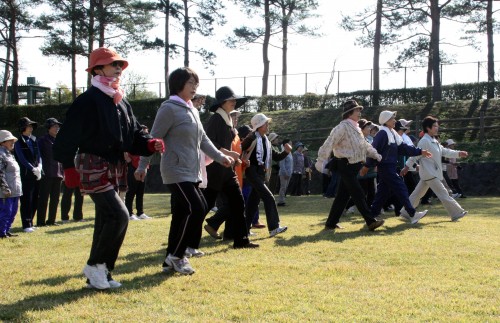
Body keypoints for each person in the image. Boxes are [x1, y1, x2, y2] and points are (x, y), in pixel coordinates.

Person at [53, 47, 164, 289]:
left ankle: (103, 273)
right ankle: (95, 267)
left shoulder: (121, 99)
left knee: (106, 219)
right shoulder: (87, 100)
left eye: (120, 65)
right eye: (113, 64)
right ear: (97, 69)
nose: (118, 68)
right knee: (119, 215)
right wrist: (69, 168)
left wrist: (149, 144)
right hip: (91, 163)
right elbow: (66, 138)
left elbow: (134, 133)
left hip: (115, 165)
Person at [135, 67, 234, 275]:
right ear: (178, 84)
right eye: (191, 83)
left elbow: (203, 140)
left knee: (180, 215)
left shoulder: (193, 110)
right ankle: (178, 256)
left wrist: (220, 157)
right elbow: (152, 139)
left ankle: (169, 260)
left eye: (196, 84)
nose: (194, 87)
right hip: (175, 170)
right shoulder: (168, 109)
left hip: (192, 171)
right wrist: (142, 166)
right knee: (197, 208)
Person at [202, 86, 258, 248]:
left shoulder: (226, 119)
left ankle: (241, 240)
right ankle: (187, 237)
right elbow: (209, 142)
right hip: (215, 171)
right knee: (203, 206)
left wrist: (234, 157)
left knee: (239, 203)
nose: (234, 102)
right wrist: (228, 153)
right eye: (231, 100)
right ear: (222, 102)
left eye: (234, 100)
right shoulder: (215, 120)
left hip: (227, 170)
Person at [316, 99, 384, 231]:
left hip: (353, 167)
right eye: (357, 110)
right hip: (345, 165)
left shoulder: (356, 128)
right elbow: (329, 142)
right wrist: (321, 159)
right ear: (349, 113)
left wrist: (375, 154)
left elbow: (364, 145)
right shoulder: (341, 128)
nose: (359, 113)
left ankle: (330, 223)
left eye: (359, 110)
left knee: (342, 196)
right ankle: (370, 221)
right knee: (358, 193)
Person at [362, 110, 431, 224]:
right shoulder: (382, 134)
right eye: (391, 119)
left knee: (382, 194)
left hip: (390, 167)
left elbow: (404, 148)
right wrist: (367, 165)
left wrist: (420, 151)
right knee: (401, 188)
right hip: (385, 167)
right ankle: (411, 214)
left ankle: (370, 218)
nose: (394, 120)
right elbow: (373, 151)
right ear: (385, 121)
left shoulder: (392, 133)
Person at [401, 116, 468, 221]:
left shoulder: (433, 140)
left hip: (430, 174)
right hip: (430, 173)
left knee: (417, 194)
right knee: (444, 194)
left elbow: (445, 151)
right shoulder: (424, 141)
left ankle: (405, 212)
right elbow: (415, 155)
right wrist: (406, 167)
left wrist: (458, 153)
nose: (437, 128)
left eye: (437, 126)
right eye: (435, 126)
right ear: (428, 128)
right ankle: (457, 213)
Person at [241, 113, 291, 237]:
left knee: (253, 203)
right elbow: (240, 149)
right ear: (258, 125)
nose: (268, 125)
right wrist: (242, 161)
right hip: (251, 172)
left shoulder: (266, 141)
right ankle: (274, 227)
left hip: (260, 173)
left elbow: (276, 156)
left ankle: (244, 230)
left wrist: (286, 152)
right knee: (269, 197)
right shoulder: (252, 137)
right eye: (265, 123)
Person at [14, 117, 42, 233]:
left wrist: (39, 167)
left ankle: (31, 222)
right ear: (23, 128)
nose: (31, 128)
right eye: (28, 126)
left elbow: (39, 156)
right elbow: (21, 158)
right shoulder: (18, 142)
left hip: (37, 173)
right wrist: (32, 168)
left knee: (35, 198)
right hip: (25, 174)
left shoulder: (34, 140)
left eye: (31, 126)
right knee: (26, 199)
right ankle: (26, 223)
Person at [36, 118, 64, 226]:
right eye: (54, 126)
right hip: (46, 173)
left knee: (55, 198)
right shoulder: (42, 140)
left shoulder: (59, 140)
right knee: (43, 198)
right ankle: (41, 221)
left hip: (58, 173)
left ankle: (51, 220)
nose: (57, 128)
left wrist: (63, 173)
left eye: (58, 126)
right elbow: (38, 156)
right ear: (48, 128)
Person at [124, 125, 152, 220]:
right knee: (131, 191)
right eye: (144, 133)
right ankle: (129, 213)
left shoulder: (147, 145)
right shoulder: (133, 142)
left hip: (144, 169)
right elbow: (126, 152)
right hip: (133, 167)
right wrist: (128, 160)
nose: (146, 135)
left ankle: (140, 212)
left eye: (147, 133)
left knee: (140, 192)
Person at [0, 130, 22, 238]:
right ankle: (1, 233)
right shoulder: (1, 154)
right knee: (6, 212)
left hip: (15, 189)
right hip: (6, 191)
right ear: (2, 142)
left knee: (12, 212)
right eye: (10, 140)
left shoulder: (9, 154)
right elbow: (0, 173)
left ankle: (6, 230)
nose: (13, 142)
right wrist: (5, 188)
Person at [277, 138, 293, 206]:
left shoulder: (289, 153)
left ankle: (283, 200)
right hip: (284, 174)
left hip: (289, 173)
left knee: (285, 187)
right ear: (286, 145)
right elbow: (282, 164)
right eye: (290, 143)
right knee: (283, 187)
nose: (291, 145)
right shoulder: (283, 152)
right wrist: (285, 173)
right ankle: (281, 201)